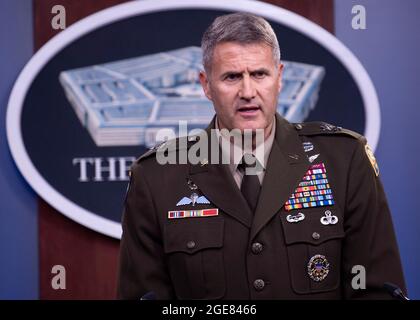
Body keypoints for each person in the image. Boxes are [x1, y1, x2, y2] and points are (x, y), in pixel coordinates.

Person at [117, 12, 406, 299]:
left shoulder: (344, 161)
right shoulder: (157, 178)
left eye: (259, 74)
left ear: (279, 78)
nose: (248, 91)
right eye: (231, 77)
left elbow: (375, 291)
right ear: (206, 85)